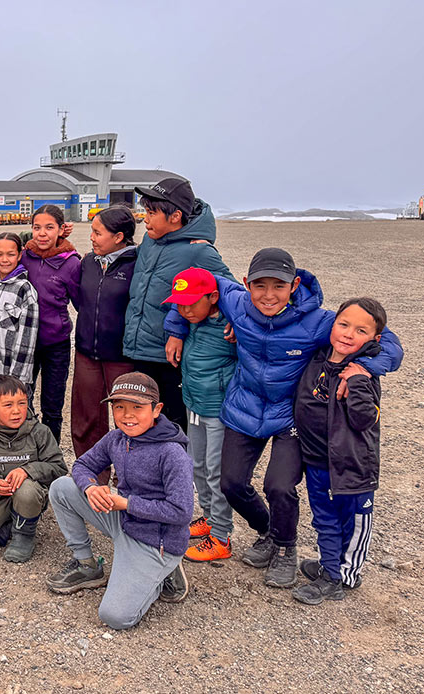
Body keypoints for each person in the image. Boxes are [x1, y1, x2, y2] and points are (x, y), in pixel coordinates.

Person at [164, 247, 402, 588]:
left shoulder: (319, 321)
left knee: (278, 484)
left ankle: (286, 549)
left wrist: (365, 366)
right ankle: (268, 533)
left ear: (294, 285)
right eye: (260, 286)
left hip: (289, 416)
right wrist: (176, 327)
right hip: (243, 408)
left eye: (279, 286)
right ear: (246, 284)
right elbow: (199, 283)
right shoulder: (235, 303)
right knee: (230, 483)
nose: (268, 295)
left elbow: (386, 339)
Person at [45, 372, 193, 630]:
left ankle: (165, 571)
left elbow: (181, 512)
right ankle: (86, 564)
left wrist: (126, 503)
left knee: (115, 617)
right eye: (119, 406)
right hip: (122, 519)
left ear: (156, 409)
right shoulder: (116, 438)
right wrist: (91, 488)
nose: (127, 415)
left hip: (154, 541)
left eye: (137, 407)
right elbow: (82, 465)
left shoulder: (171, 452)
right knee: (61, 488)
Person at [292, 298, 387, 604]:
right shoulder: (319, 358)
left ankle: (343, 575)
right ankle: (329, 566)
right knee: (324, 519)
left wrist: (358, 380)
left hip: (351, 467)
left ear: (375, 339)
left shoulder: (363, 373)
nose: (348, 333)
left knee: (354, 522)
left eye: (360, 330)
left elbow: (363, 419)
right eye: (343, 324)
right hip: (318, 462)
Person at [123, 177, 234, 430]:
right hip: (137, 349)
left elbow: (230, 290)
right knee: (139, 419)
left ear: (175, 216)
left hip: (169, 356)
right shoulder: (150, 241)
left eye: (152, 213)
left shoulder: (199, 251)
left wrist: (236, 323)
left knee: (172, 422)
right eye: (145, 212)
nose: (145, 219)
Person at [161, 268, 237, 562]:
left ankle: (221, 536)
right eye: (181, 303)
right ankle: (208, 517)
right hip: (193, 403)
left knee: (216, 471)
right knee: (197, 466)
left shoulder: (231, 327)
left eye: (193, 302)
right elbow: (179, 313)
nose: (186, 309)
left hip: (218, 410)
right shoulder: (191, 320)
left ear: (214, 297)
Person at [0, 375, 65, 563]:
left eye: (22, 404)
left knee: (26, 490)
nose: (16, 411)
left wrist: (28, 471)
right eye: (8, 405)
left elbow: (58, 468)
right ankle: (8, 525)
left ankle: (24, 536)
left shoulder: (40, 432)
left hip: (29, 495)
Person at [69, 205, 139, 459]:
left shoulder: (138, 265)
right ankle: (89, 474)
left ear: (118, 237)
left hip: (122, 357)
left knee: (128, 417)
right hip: (87, 351)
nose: (92, 237)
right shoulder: (88, 261)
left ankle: (127, 476)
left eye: (98, 233)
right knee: (86, 416)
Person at [18, 204, 81, 444]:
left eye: (49, 228)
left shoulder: (71, 263)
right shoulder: (25, 256)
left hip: (56, 343)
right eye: (37, 228)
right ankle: (25, 447)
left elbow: (81, 304)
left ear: (61, 230)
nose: (42, 234)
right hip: (26, 342)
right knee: (23, 398)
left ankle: (51, 452)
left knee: (53, 404)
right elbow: (2, 265)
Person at [0, 232, 39, 386]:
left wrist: (16, 377)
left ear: (19, 255)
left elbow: (27, 338)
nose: (5, 260)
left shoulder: (24, 289)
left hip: (10, 372)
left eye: (11, 254)